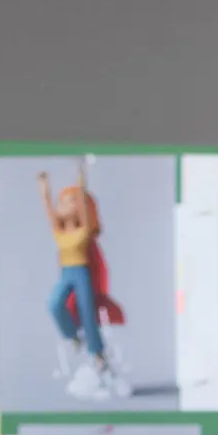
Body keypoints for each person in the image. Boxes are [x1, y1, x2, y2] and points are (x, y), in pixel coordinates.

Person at [38, 165, 127, 401]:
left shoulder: (84, 230)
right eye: (63, 201)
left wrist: (82, 183)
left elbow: (86, 215)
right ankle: (73, 337)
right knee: (55, 303)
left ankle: (98, 355)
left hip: (82, 273)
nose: (64, 205)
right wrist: (44, 187)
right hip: (67, 273)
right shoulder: (58, 230)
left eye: (71, 201)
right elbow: (48, 207)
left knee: (88, 315)